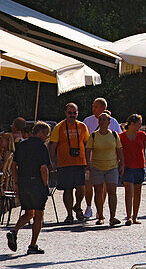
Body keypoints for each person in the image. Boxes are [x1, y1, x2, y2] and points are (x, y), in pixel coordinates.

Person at [7, 121, 51, 256]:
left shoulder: (21, 145)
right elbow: (43, 168)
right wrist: (45, 184)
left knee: (28, 212)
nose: (46, 137)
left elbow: (13, 165)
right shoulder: (41, 147)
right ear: (41, 132)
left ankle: (14, 232)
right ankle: (32, 245)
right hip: (36, 183)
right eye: (46, 134)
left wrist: (16, 182)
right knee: (38, 215)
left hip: (24, 183)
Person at [48, 102, 90, 224]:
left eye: (74, 113)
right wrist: (52, 161)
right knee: (67, 189)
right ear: (65, 113)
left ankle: (77, 206)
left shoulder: (82, 126)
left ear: (77, 113)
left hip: (80, 162)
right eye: (70, 113)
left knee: (81, 188)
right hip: (64, 163)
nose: (72, 115)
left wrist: (89, 161)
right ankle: (69, 214)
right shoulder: (59, 127)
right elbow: (53, 145)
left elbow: (87, 145)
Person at [82, 98, 122, 219]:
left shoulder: (113, 122)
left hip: (110, 162)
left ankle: (101, 212)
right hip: (92, 161)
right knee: (89, 184)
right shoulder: (87, 121)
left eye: (96, 107)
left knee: (105, 188)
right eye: (93, 106)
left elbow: (118, 141)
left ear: (103, 108)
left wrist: (120, 161)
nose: (93, 109)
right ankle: (89, 207)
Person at [119, 114, 146, 225]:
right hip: (127, 167)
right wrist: (119, 165)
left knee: (137, 193)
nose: (141, 126)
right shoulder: (121, 137)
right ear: (131, 124)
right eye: (139, 123)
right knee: (128, 192)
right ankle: (128, 217)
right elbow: (118, 152)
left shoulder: (142, 135)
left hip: (140, 167)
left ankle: (135, 216)